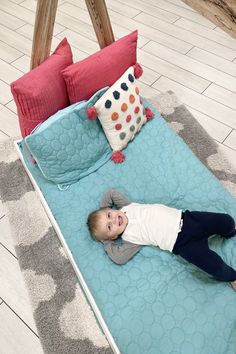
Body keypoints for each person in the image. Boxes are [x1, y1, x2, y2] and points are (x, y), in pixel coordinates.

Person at [87, 189, 236, 291]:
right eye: (109, 227)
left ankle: (229, 232)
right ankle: (232, 277)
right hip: (182, 244)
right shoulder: (130, 240)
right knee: (213, 266)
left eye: (109, 215)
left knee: (227, 221)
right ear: (113, 237)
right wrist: (106, 241)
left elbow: (109, 193)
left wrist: (102, 211)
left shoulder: (126, 206)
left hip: (188, 219)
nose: (113, 220)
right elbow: (119, 258)